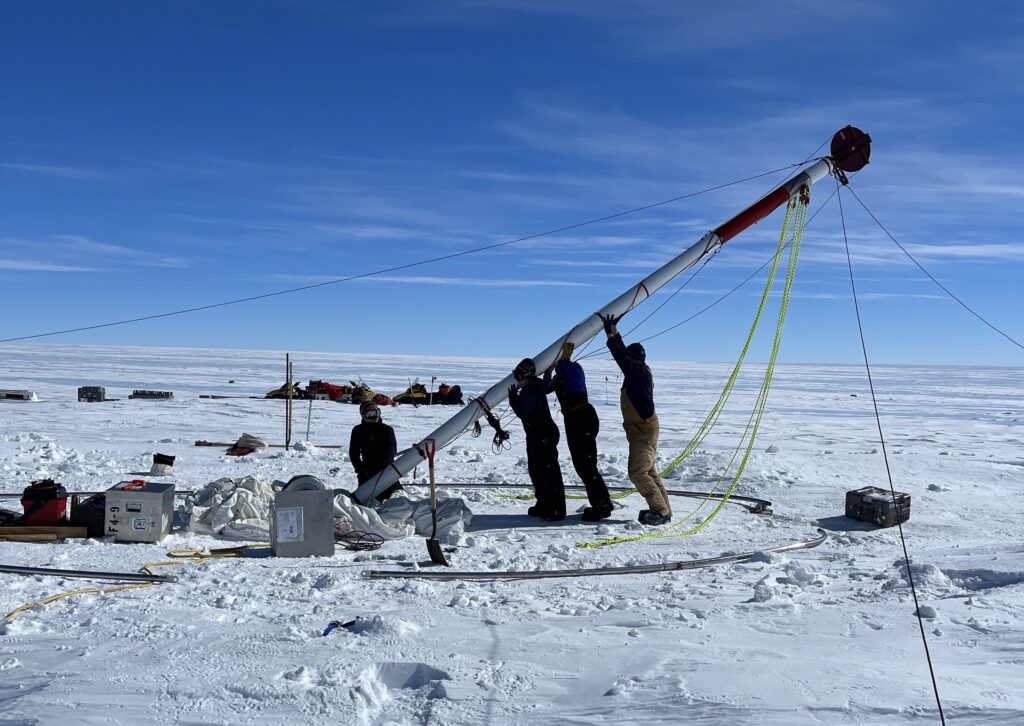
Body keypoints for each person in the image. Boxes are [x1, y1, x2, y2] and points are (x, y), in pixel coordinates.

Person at [599, 313, 672, 525]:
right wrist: (613, 331)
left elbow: (621, 356)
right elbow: (624, 355)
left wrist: (610, 333)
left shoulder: (637, 372)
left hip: (643, 430)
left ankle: (660, 511)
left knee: (638, 473)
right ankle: (664, 511)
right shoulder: (638, 370)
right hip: (641, 429)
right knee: (647, 470)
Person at [544, 342, 613, 521]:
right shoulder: (561, 377)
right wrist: (548, 372)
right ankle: (603, 502)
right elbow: (546, 388)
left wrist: (565, 360)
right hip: (574, 420)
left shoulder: (574, 370)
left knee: (586, 465)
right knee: (582, 465)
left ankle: (602, 506)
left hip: (582, 419)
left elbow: (572, 374)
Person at [508, 357, 566, 521]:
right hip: (536, 435)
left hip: (543, 435)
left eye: (518, 376)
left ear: (526, 375)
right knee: (536, 471)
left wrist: (514, 400)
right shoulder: (536, 385)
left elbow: (523, 413)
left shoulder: (530, 390)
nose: (517, 379)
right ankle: (544, 503)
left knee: (548, 472)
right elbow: (547, 386)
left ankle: (556, 509)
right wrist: (548, 374)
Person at [349, 400, 401, 502]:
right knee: (365, 500)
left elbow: (391, 451)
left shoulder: (387, 430)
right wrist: (361, 470)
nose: (374, 416)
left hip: (386, 470)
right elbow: (353, 453)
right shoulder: (358, 431)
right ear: (363, 415)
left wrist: (385, 469)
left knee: (396, 499)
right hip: (367, 471)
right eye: (370, 414)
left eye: (376, 412)